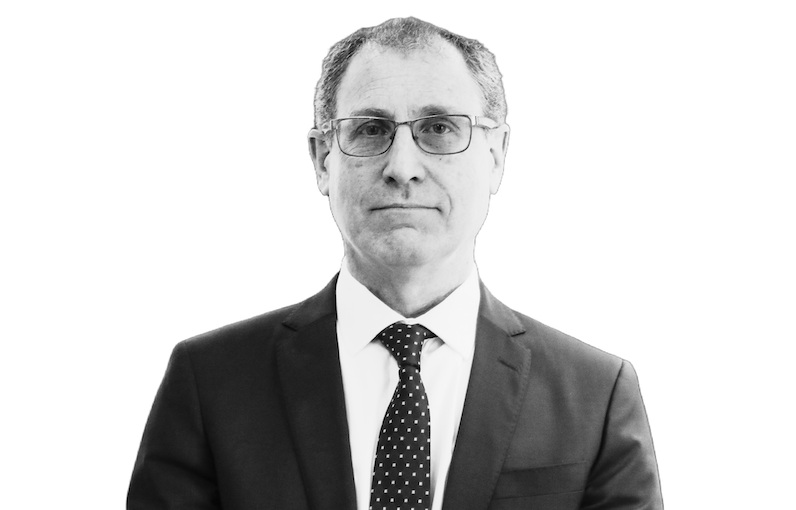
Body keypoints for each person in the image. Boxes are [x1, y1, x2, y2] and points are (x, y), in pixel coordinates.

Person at [127, 17, 663, 510]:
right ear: (322, 159)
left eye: (440, 128)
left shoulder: (596, 396)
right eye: (369, 129)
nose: (403, 167)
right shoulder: (209, 384)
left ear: (496, 156)